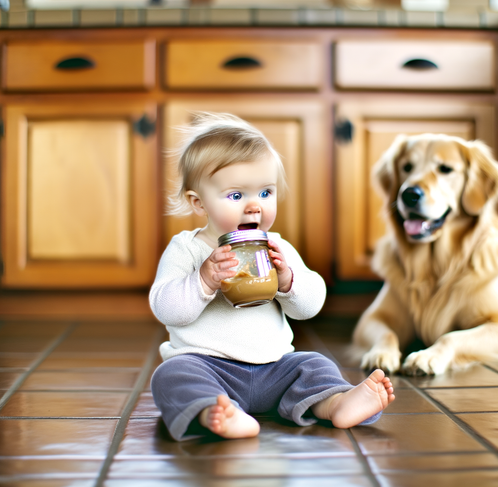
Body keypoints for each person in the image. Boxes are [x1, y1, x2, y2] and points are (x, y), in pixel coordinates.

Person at [149, 112, 395, 440]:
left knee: (314, 364)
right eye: (237, 195)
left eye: (265, 193)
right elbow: (165, 308)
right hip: (210, 368)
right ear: (199, 203)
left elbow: (310, 305)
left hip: (276, 369)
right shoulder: (187, 250)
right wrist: (203, 280)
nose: (255, 207)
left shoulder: (276, 248)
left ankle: (336, 402)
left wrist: (288, 281)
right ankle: (217, 411)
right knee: (171, 374)